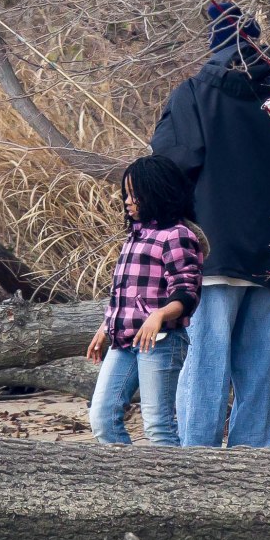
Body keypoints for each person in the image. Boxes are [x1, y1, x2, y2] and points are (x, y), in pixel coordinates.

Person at [150, 2, 270, 447]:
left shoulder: (194, 94)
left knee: (206, 361)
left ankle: (197, 459)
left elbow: (168, 166)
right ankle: (252, 459)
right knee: (256, 367)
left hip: (212, 251)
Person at [85, 155, 204, 446]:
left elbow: (187, 292)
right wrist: (105, 326)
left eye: (135, 194)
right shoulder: (134, 236)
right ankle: (130, 485)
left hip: (162, 341)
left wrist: (159, 315)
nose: (128, 200)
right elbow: (125, 294)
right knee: (102, 416)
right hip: (123, 340)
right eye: (126, 193)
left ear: (157, 191)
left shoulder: (178, 235)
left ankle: (173, 488)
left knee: (158, 426)